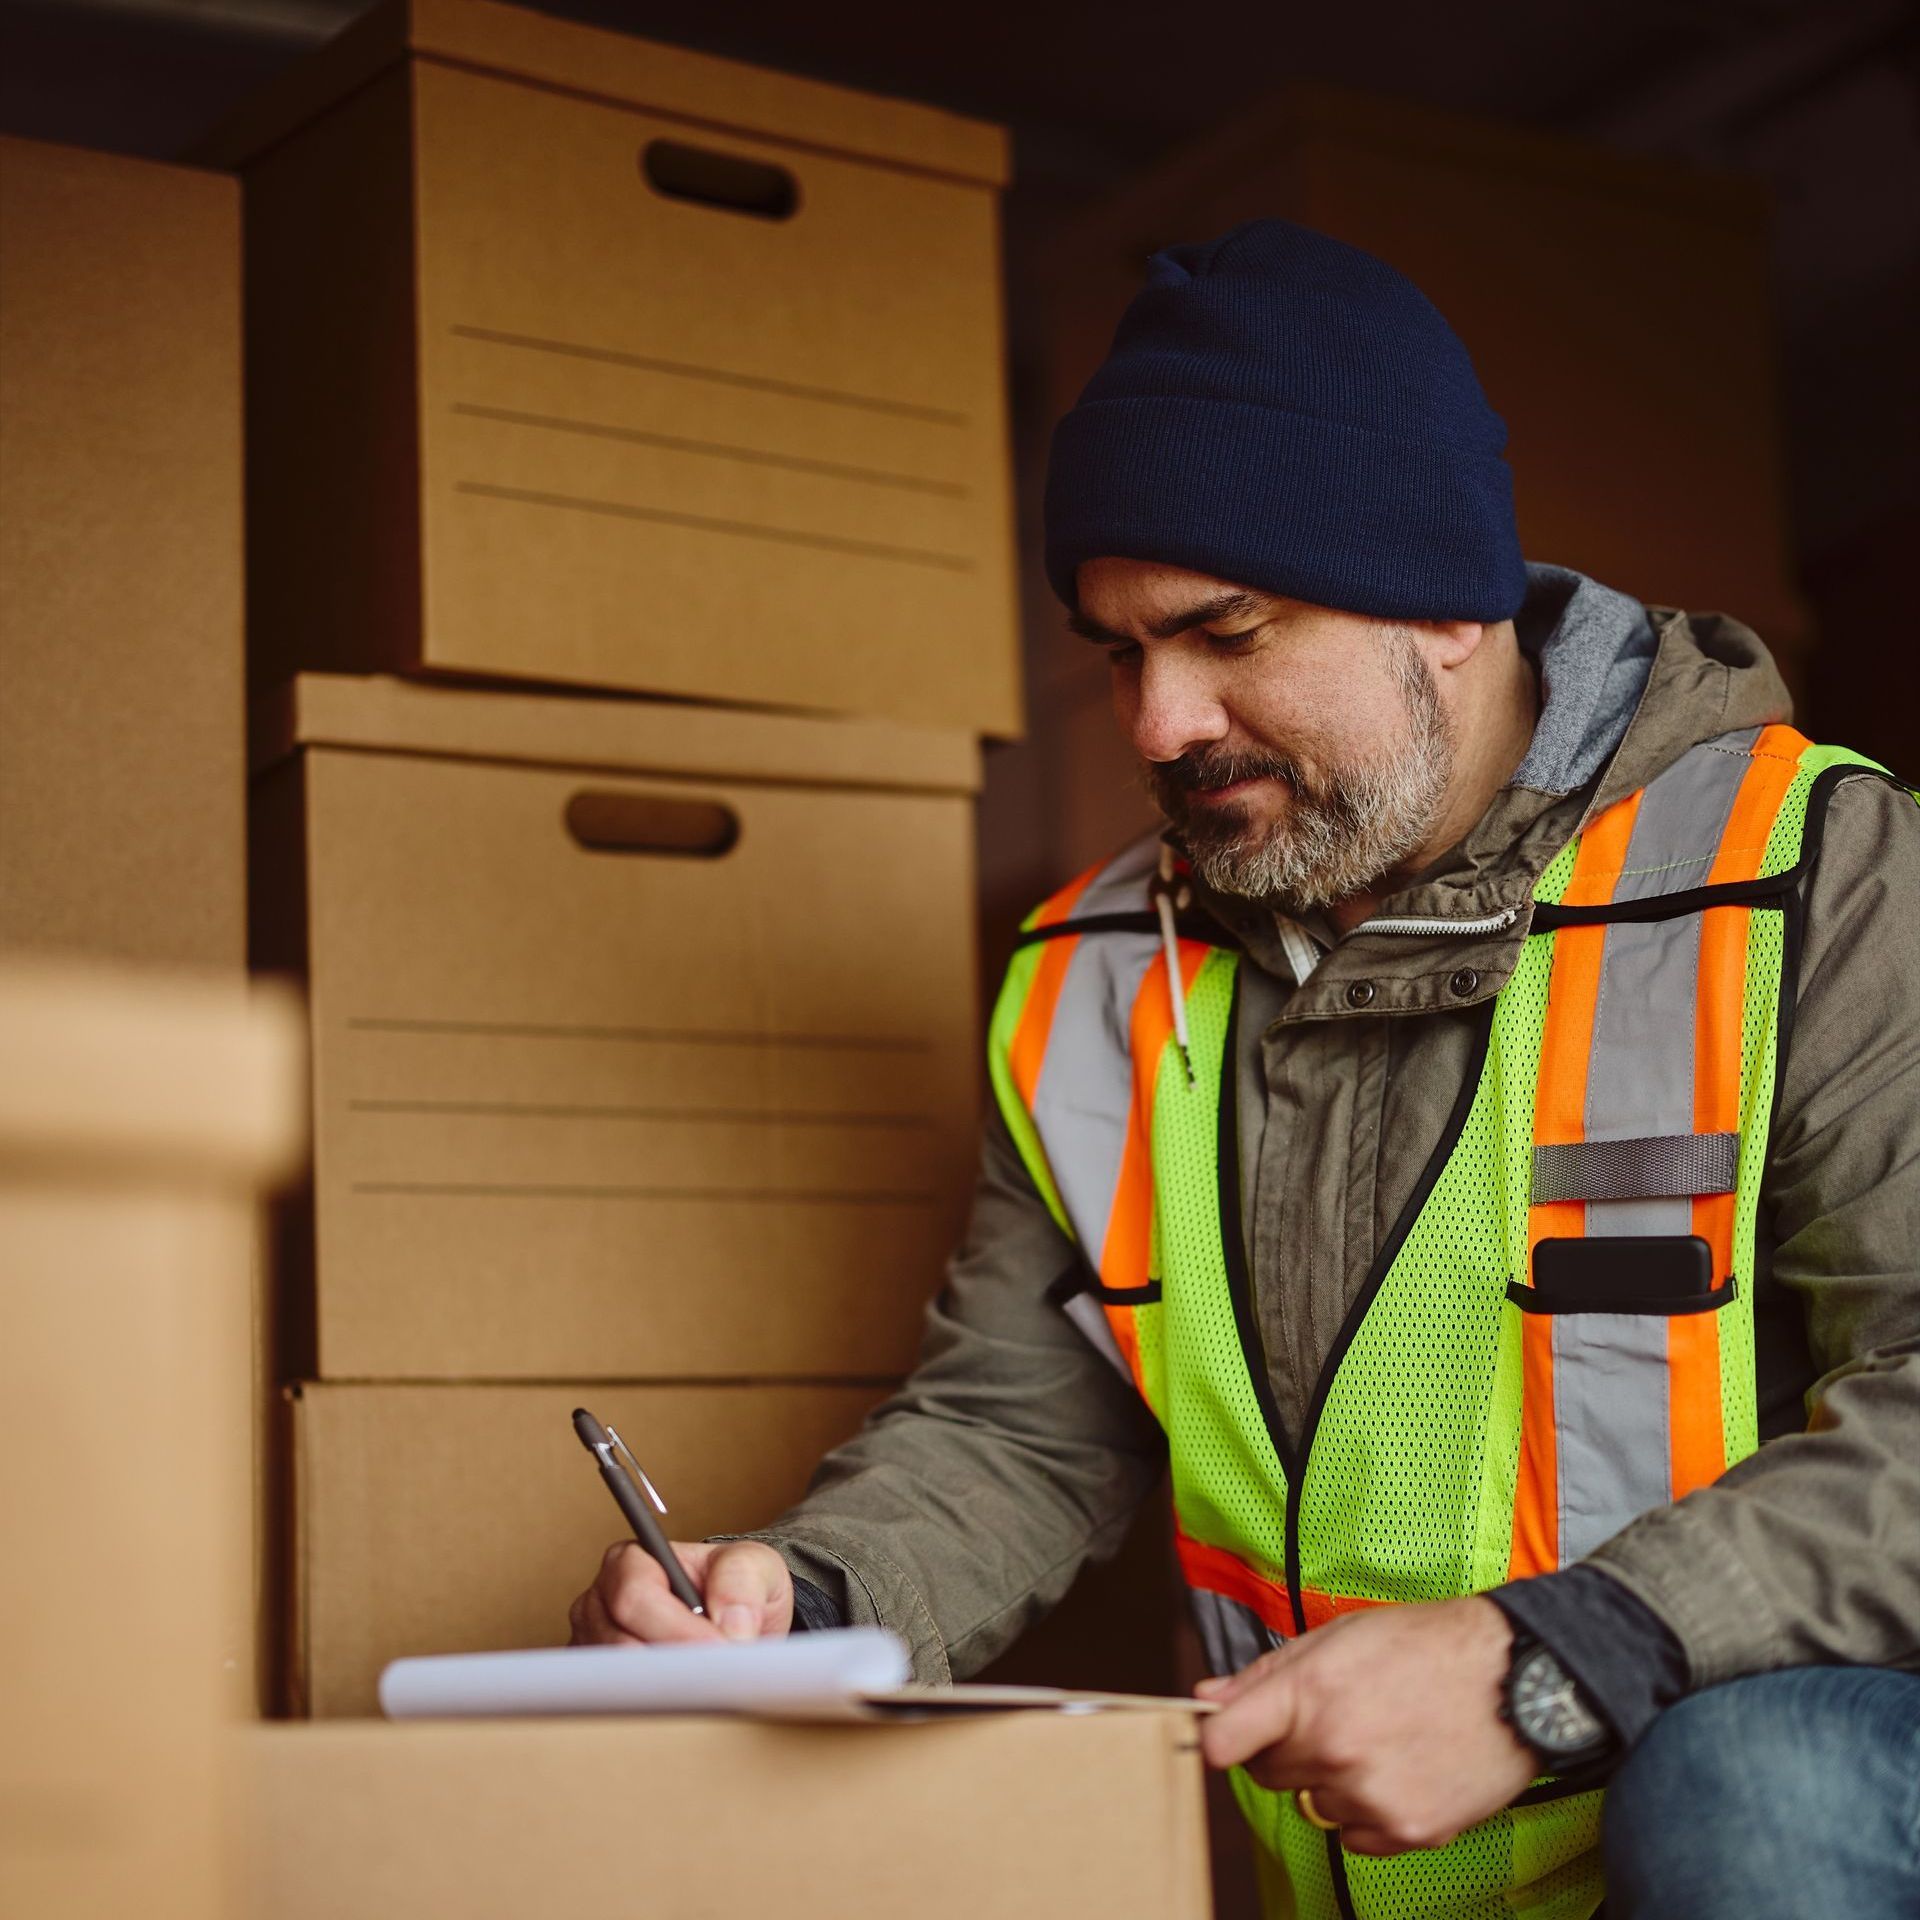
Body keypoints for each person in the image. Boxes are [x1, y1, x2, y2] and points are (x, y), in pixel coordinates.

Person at [569, 220, 1920, 1920]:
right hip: (1363, 1885)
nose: (1155, 723)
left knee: (1765, 1786)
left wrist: (1551, 1665)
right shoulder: (1094, 973)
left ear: (1445, 599)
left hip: (1749, 1826)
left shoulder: (1822, 876)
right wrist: (803, 1594)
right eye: (1121, 651)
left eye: (1225, 633)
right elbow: (1023, 1425)